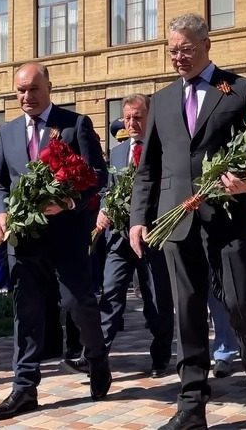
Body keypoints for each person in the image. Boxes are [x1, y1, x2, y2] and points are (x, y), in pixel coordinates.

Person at [129, 13, 246, 429]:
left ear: (206, 45)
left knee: (241, 305)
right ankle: (191, 404)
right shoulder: (159, 101)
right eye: (172, 49)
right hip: (177, 222)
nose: (178, 57)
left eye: (186, 49)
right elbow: (149, 168)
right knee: (188, 310)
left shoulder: (241, 89)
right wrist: (138, 219)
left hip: (227, 221)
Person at [0, 62, 110, 420]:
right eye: (20, 91)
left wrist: (67, 201)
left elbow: (97, 175)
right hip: (23, 239)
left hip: (67, 236)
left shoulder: (74, 125)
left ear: (49, 88)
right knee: (26, 312)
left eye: (33, 89)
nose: (26, 97)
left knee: (77, 304)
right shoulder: (6, 132)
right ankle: (24, 387)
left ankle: (97, 358)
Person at [82, 93, 174, 379]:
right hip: (118, 239)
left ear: (149, 118)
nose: (132, 123)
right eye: (128, 118)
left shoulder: (163, 150)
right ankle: (98, 356)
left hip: (151, 237)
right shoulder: (120, 151)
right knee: (110, 295)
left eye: (138, 117)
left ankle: (160, 357)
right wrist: (104, 209)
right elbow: (108, 188)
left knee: (157, 300)